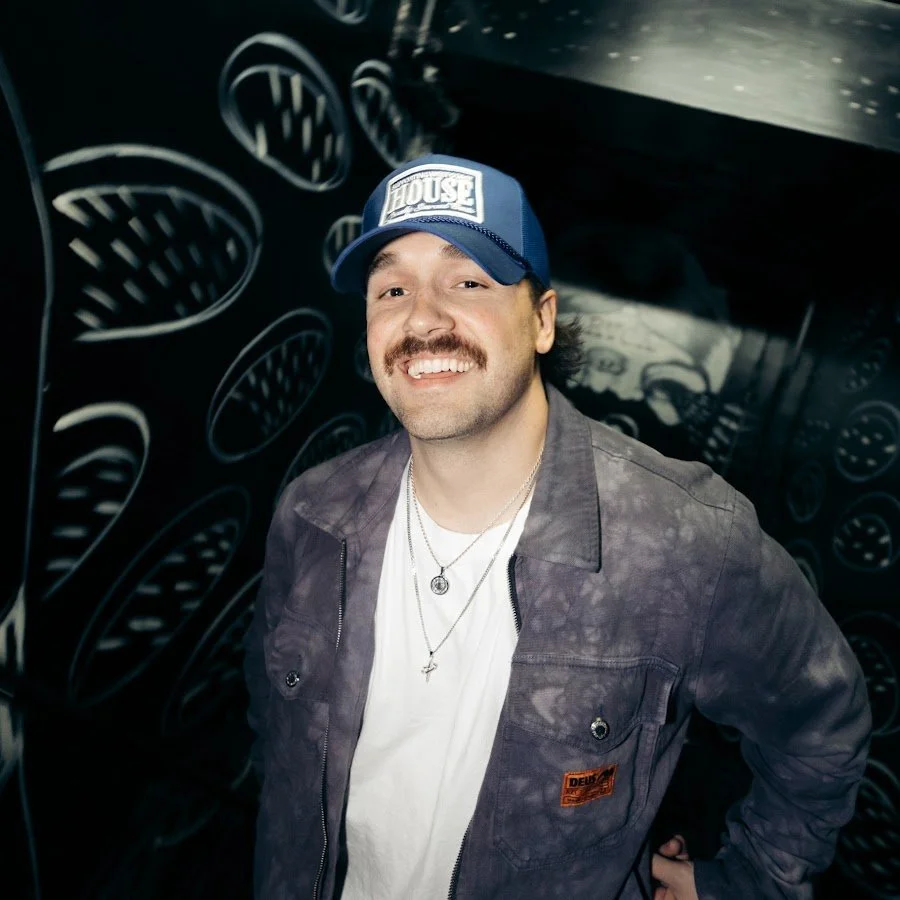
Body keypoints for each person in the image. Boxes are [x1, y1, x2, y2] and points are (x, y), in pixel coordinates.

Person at [243, 154, 871, 900]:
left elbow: (820, 726)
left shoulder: (685, 539)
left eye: (468, 280)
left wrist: (744, 881)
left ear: (542, 319)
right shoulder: (313, 515)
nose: (422, 317)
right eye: (392, 288)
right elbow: (273, 733)